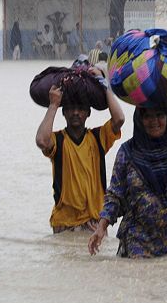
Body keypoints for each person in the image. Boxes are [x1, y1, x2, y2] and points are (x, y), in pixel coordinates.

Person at [87, 106, 167, 258]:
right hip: (138, 240)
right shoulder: (127, 152)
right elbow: (115, 195)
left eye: (160, 115)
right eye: (147, 116)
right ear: (139, 120)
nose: (154, 121)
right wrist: (101, 227)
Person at [35, 67, 126, 233]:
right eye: (70, 108)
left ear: (88, 113)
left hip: (94, 223)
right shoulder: (58, 140)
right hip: (65, 224)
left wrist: (104, 85)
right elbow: (41, 140)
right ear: (64, 113)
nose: (75, 113)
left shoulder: (98, 138)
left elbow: (119, 119)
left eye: (81, 109)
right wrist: (54, 104)